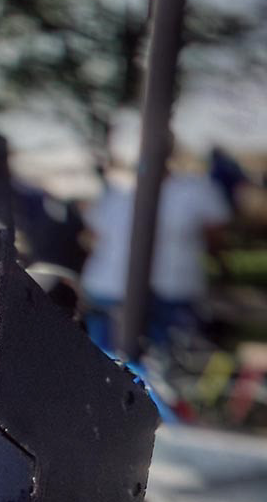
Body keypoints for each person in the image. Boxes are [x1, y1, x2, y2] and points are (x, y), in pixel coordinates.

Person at [80, 149, 231, 354]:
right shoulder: (117, 192)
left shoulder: (116, 193)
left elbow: (92, 236)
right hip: (121, 291)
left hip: (156, 291)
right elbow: (216, 237)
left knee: (154, 359)